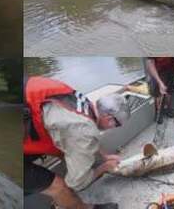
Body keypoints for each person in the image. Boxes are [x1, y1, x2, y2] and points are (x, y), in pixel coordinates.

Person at [24, 76, 131, 209]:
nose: (115, 128)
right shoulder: (84, 130)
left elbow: (78, 135)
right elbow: (76, 183)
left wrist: (105, 157)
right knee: (58, 186)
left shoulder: (82, 103)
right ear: (109, 119)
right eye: (117, 124)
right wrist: (104, 167)